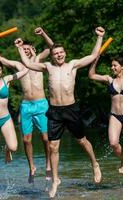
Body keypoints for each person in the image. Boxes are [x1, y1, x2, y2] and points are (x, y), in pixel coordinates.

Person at [15, 26, 105, 198]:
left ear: (65, 53)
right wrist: (20, 48)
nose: (58, 55)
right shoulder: (48, 67)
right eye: (55, 53)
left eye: (61, 52)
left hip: (71, 110)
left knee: (82, 141)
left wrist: (99, 37)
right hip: (55, 112)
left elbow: (93, 56)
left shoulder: (73, 65)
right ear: (52, 55)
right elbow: (27, 63)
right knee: (53, 146)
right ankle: (55, 179)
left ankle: (94, 163)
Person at [0, 27, 54, 183]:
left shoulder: (39, 60)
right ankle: (32, 167)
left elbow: (52, 47)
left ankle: (48, 165)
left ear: (33, 49)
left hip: (41, 105)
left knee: (46, 138)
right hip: (26, 106)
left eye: (27, 48)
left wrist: (43, 33)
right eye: (22, 48)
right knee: (26, 140)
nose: (25, 50)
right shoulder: (19, 66)